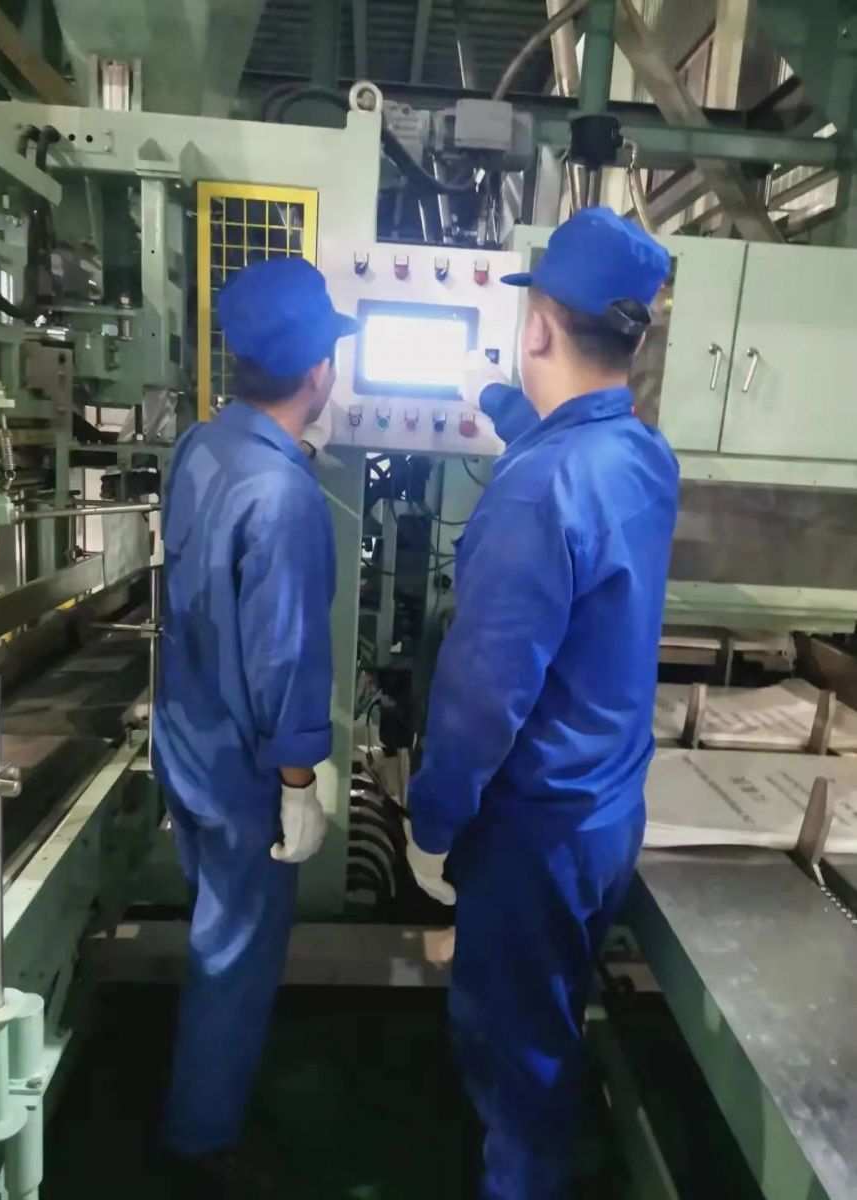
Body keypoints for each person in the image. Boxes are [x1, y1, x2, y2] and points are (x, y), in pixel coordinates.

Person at [406, 207, 679, 1200]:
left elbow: (483, 697)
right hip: (605, 816)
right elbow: (575, 472)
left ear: (534, 328)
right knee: (550, 1019)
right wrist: (502, 411)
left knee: (513, 1052)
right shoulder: (643, 456)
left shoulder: (535, 494)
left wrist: (433, 823)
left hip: (531, 835)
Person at [152, 256, 356, 1192]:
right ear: (318, 370)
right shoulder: (285, 498)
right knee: (234, 954)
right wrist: (300, 784)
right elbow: (285, 659)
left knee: (214, 927)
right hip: (245, 774)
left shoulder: (202, 447)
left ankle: (211, 1092)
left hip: (187, 740)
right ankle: (202, 1140)